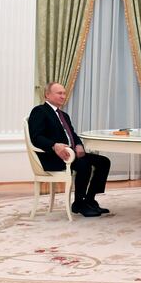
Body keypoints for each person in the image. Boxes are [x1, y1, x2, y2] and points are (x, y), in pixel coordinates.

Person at [28, 82, 111, 217]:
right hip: (54, 156)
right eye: (59, 93)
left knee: (103, 161)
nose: (63, 96)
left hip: (70, 154)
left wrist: (79, 145)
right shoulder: (39, 111)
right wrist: (54, 145)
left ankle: (89, 200)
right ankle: (79, 203)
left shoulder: (63, 115)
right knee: (84, 165)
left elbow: (72, 134)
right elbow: (36, 137)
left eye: (64, 93)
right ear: (47, 95)